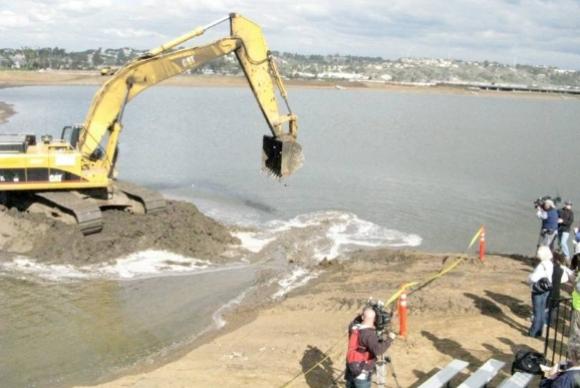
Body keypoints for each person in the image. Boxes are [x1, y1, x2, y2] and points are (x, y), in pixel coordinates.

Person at [345, 306, 395, 388]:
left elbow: (357, 320)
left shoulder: (353, 327)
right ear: (375, 319)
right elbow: (378, 350)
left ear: (362, 317)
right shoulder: (369, 335)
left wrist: (366, 313)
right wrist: (390, 339)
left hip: (351, 369)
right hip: (362, 374)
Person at [529, 247, 571, 337]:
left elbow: (533, 278)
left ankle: (534, 331)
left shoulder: (541, 265)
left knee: (537, 311)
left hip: (538, 290)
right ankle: (539, 330)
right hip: (546, 290)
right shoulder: (551, 265)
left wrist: (530, 276)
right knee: (542, 310)